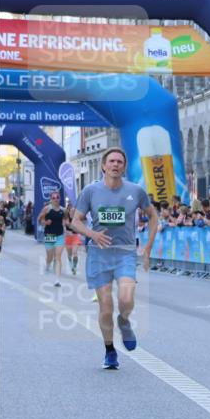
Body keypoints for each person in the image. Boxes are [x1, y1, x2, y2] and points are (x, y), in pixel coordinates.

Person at [69, 147, 158, 369]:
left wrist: (148, 247)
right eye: (112, 161)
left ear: (124, 166)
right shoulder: (90, 191)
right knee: (106, 307)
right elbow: (75, 221)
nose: (115, 164)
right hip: (100, 254)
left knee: (126, 299)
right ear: (103, 165)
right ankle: (110, 351)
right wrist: (92, 234)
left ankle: (124, 320)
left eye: (120, 161)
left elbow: (153, 215)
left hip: (125, 252)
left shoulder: (136, 191)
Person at [39, 192, 68, 287]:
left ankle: (57, 280)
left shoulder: (63, 210)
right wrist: (46, 222)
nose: (56, 199)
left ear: (60, 199)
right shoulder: (47, 209)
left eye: (57, 197)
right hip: (49, 235)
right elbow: (40, 219)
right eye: (53, 197)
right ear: (51, 199)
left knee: (58, 257)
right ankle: (47, 265)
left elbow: (66, 220)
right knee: (50, 257)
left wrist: (65, 225)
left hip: (59, 235)